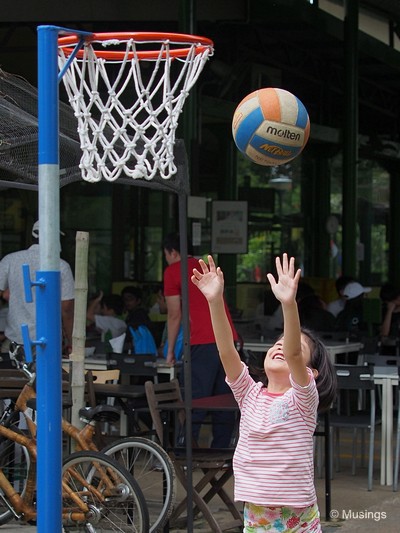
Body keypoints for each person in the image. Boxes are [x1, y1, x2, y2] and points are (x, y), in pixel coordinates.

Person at [192, 253, 336, 532]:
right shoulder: (249, 394)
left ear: (311, 372)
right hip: (256, 514)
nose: (281, 346)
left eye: (292, 345)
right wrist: (214, 301)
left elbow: (294, 353)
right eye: (276, 342)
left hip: (298, 518)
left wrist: (288, 304)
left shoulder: (302, 400)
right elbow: (225, 350)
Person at [162, 232, 238, 448]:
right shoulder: (204, 266)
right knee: (223, 400)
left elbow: (174, 314)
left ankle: (186, 451)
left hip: (202, 342)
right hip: (227, 339)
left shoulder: (173, 271)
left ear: (172, 252)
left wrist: (170, 351)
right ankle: (221, 453)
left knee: (195, 399)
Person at [0, 220, 75, 355]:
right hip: (48, 341)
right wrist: (72, 342)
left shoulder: (10, 260)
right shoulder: (61, 266)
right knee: (46, 375)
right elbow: (67, 309)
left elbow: (3, 293)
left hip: (14, 339)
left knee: (8, 375)